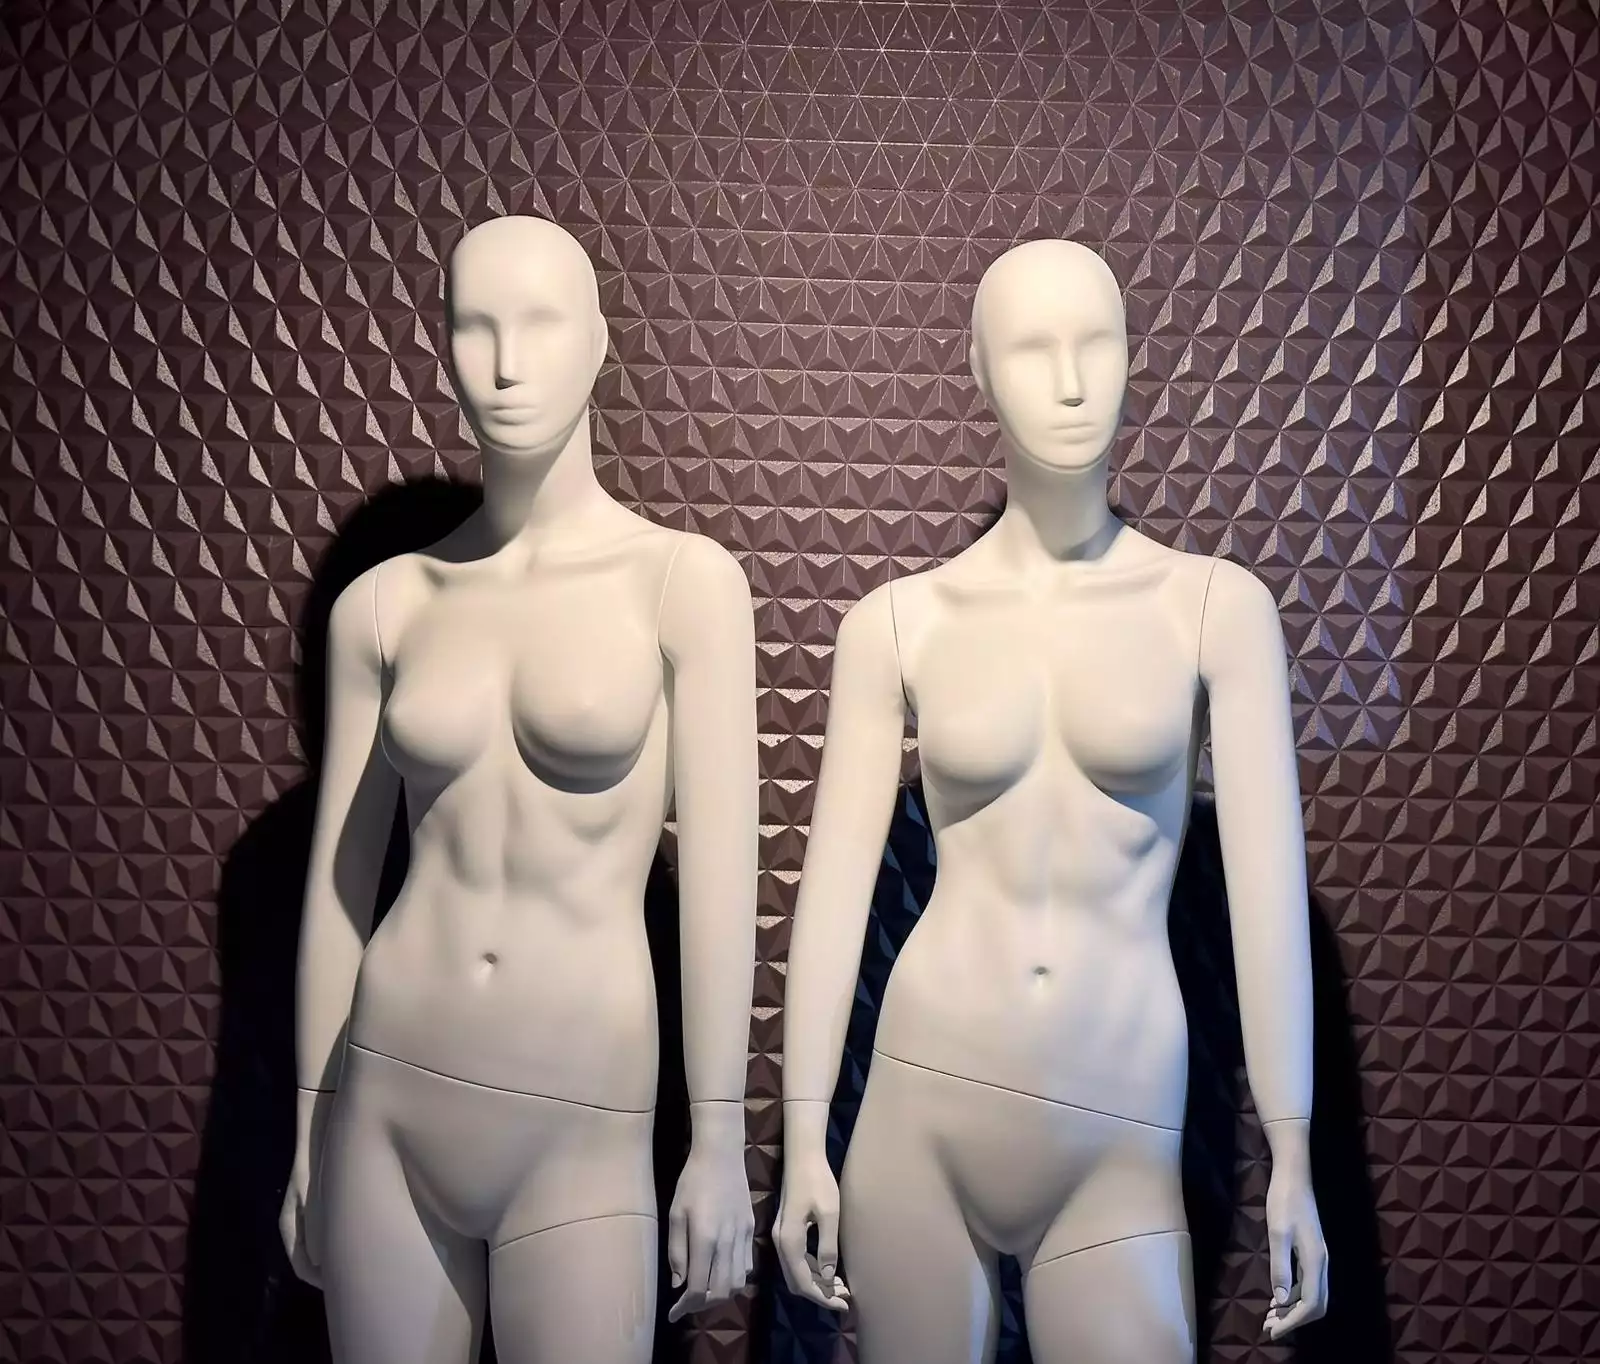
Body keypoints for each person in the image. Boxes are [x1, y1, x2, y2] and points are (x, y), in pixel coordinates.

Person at [775, 238, 1329, 1362]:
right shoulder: (899, 623)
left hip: (1115, 1120)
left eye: (1097, 343)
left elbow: (1268, 903)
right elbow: (827, 904)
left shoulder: (1214, 609)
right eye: (1033, 350)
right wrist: (800, 1145)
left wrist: (1295, 1153)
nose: (1073, 383)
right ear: (979, 372)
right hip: (920, 1106)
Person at [278, 215, 758, 1364]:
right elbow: (341, 891)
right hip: (390, 1088)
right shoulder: (386, 604)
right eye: (475, 328)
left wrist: (718, 1139)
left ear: (598, 341)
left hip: (581, 1112)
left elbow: (722, 883)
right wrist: (310, 1123)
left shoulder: (681, 584)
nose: (505, 363)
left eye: (539, 324)